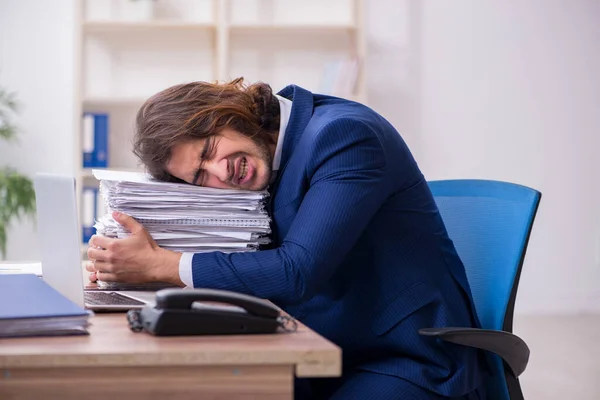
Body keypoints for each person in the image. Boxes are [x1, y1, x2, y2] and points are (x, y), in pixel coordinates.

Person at [86, 78, 488, 399]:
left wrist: (161, 264)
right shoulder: (268, 151)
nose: (221, 175)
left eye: (210, 149)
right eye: (200, 178)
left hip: (409, 361)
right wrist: (126, 263)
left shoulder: (345, 137)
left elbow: (296, 271)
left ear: (231, 113)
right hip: (325, 345)